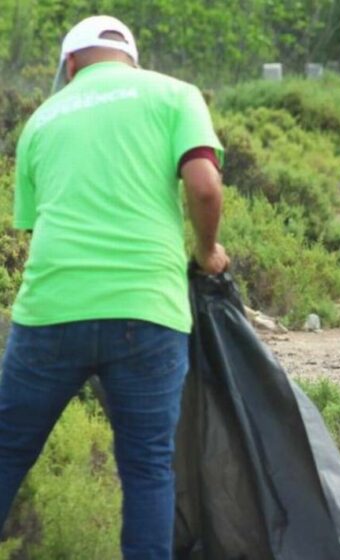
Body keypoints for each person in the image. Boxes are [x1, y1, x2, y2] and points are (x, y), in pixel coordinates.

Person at [0, 15, 228, 558]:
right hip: (147, 311)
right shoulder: (175, 95)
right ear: (130, 59)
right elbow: (203, 185)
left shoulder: (42, 119)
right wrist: (205, 250)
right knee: (148, 468)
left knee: (6, 452)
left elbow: (33, 229)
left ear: (71, 64)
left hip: (52, 312)